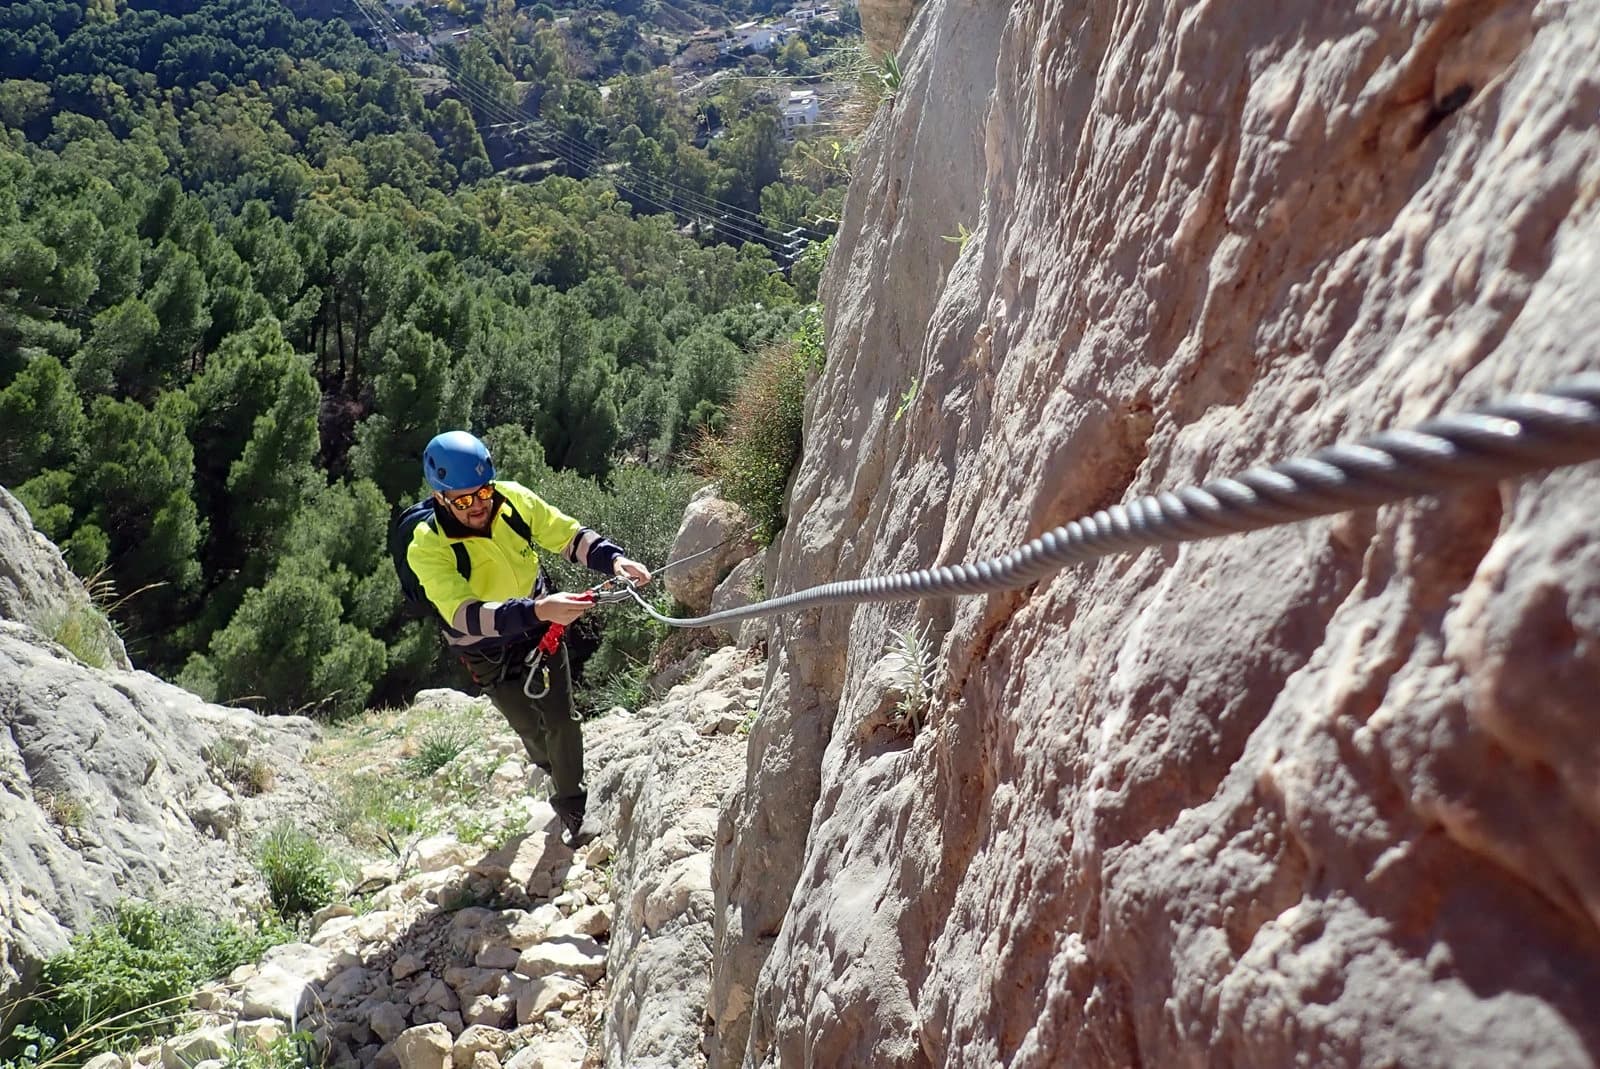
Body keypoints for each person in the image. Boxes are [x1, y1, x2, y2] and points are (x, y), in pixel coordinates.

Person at [406, 430, 651, 849]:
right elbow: (463, 614)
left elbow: (567, 535)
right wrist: (539, 610)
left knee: (560, 719)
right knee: (528, 727)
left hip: (540, 629)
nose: (478, 506)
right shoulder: (427, 547)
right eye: (463, 500)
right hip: (485, 647)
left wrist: (614, 558)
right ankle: (550, 764)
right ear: (441, 497)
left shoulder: (513, 500)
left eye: (483, 492)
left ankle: (573, 805)